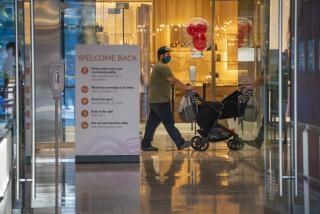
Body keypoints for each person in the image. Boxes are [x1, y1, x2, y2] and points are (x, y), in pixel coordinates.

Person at [141, 46, 193, 151]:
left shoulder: (158, 66)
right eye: (167, 54)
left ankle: (146, 144)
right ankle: (180, 142)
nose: (169, 56)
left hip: (155, 100)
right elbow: (173, 80)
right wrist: (186, 87)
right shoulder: (162, 67)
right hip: (161, 101)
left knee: (152, 123)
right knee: (169, 123)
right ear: (161, 56)